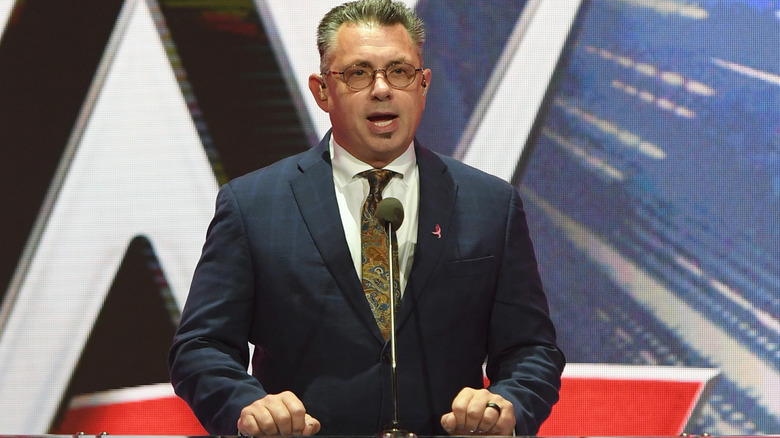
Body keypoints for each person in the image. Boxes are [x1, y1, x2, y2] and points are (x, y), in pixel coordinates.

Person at [168, 0, 565, 435]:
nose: (382, 89)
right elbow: (201, 347)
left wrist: (506, 407)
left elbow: (532, 350)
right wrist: (248, 407)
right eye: (358, 73)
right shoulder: (253, 204)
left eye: (399, 71)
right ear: (322, 90)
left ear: (424, 85)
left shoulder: (489, 203)